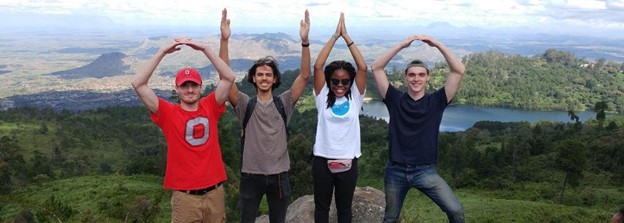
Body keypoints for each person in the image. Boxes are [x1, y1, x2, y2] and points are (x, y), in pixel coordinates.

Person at [218, 8, 311, 223]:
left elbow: (305, 75)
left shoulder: (284, 103)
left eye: (268, 74)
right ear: (253, 78)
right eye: (259, 74)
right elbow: (225, 77)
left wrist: (305, 42)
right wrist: (224, 40)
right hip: (251, 174)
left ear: (275, 79)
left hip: (279, 174)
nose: (264, 78)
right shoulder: (244, 104)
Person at [130, 37, 236, 222]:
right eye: (184, 85)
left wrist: (205, 48)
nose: (189, 89)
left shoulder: (210, 106)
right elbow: (138, 84)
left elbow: (229, 77)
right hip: (185, 197)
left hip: (215, 193)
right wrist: (162, 51)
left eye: (194, 85)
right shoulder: (168, 113)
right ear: (177, 90)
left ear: (201, 87)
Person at [370, 35, 467, 223]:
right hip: (395, 170)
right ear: (405, 77)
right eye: (412, 74)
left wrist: (438, 44)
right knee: (390, 218)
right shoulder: (394, 99)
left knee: (456, 211)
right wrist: (401, 44)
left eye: (421, 74)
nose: (416, 79)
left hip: (425, 171)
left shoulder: (437, 101)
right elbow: (376, 67)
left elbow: (459, 70)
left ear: (427, 78)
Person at [311, 13, 367, 223]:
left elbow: (362, 67)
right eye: (335, 81)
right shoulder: (322, 95)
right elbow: (318, 66)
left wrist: (347, 37)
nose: (340, 85)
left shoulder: (356, 97)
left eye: (345, 81)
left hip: (349, 160)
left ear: (351, 82)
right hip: (322, 159)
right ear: (329, 81)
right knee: (322, 208)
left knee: (344, 209)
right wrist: (335, 36)